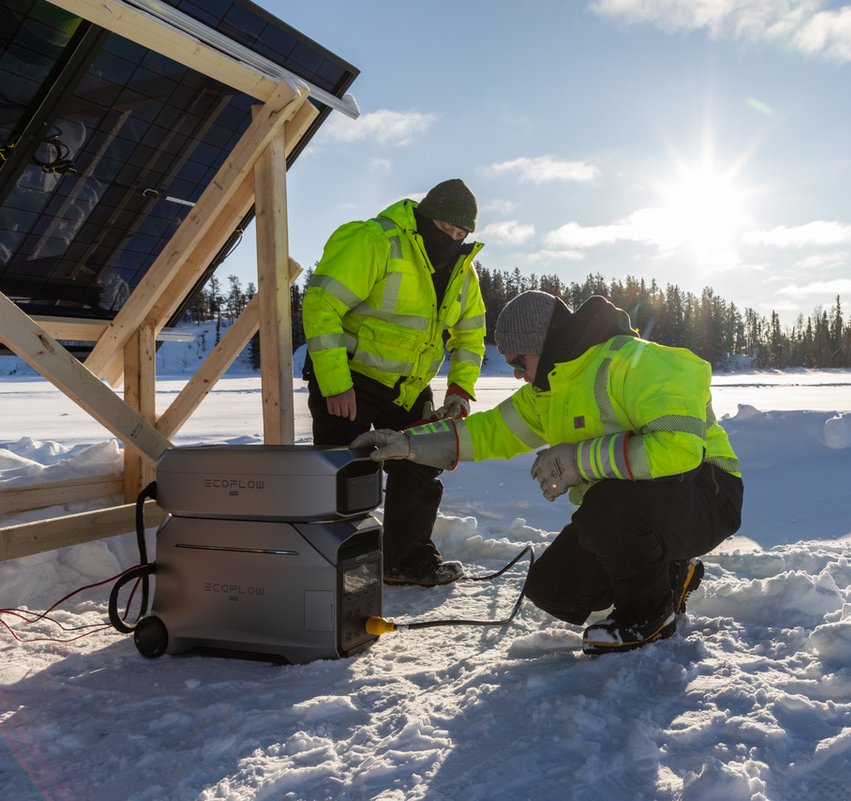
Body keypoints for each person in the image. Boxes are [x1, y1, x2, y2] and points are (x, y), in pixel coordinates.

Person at [351, 290, 744, 655]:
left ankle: (648, 617)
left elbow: (680, 451)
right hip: (632, 510)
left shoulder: (639, 362)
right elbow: (486, 432)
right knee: (553, 589)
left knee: (608, 505)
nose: (518, 375)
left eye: (519, 362)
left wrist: (579, 461)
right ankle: (670, 575)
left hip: (707, 495)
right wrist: (410, 445)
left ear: (543, 343)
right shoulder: (548, 392)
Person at [302, 178, 486, 586]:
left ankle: (405, 559)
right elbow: (321, 303)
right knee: (345, 472)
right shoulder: (375, 240)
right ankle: (333, 565)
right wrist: (335, 382)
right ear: (425, 217)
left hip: (408, 386)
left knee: (421, 463)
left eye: (461, 235)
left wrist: (459, 388)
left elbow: (471, 334)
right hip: (352, 377)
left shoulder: (462, 270)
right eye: (446, 229)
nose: (453, 240)